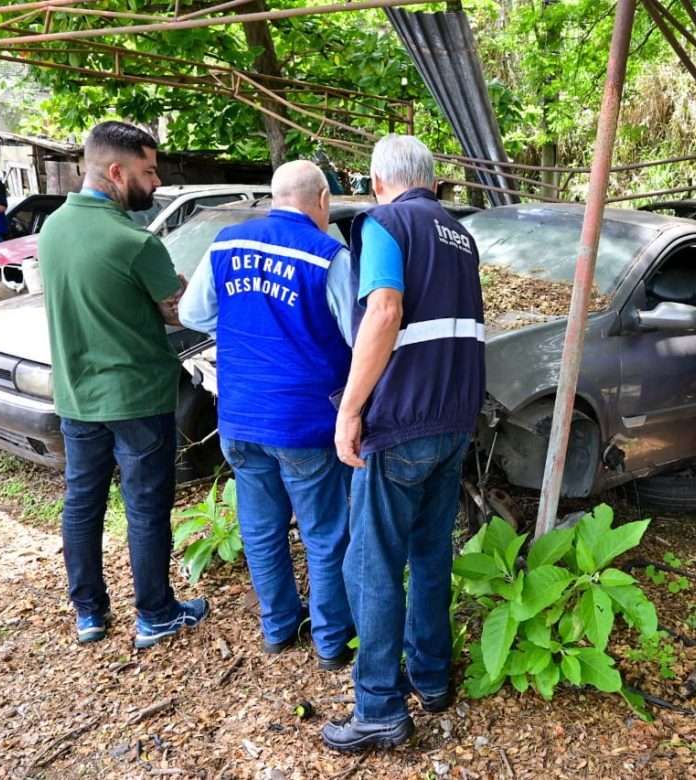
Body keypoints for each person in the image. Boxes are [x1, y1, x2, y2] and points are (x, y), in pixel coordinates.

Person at [322, 135, 485, 752]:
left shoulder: (385, 224)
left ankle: (379, 709)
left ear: (376, 180)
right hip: (454, 416)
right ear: (432, 181)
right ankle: (432, 674)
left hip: (405, 420)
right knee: (431, 550)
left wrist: (351, 410)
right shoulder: (459, 235)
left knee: (372, 564)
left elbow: (384, 312)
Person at [178, 160, 356, 667]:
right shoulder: (327, 254)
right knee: (325, 533)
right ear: (321, 200)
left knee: (261, 529)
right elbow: (356, 334)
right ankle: (331, 639)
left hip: (238, 416)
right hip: (304, 419)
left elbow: (192, 315)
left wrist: (247, 324)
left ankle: (278, 627)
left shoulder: (227, 242)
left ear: (274, 197)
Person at [38, 121, 209, 648]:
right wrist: (174, 293)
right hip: (137, 398)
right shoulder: (135, 241)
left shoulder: (52, 230)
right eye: (148, 170)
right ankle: (155, 613)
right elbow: (181, 311)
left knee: (82, 503)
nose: (155, 181)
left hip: (75, 394)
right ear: (116, 171)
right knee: (146, 505)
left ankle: (89, 611)